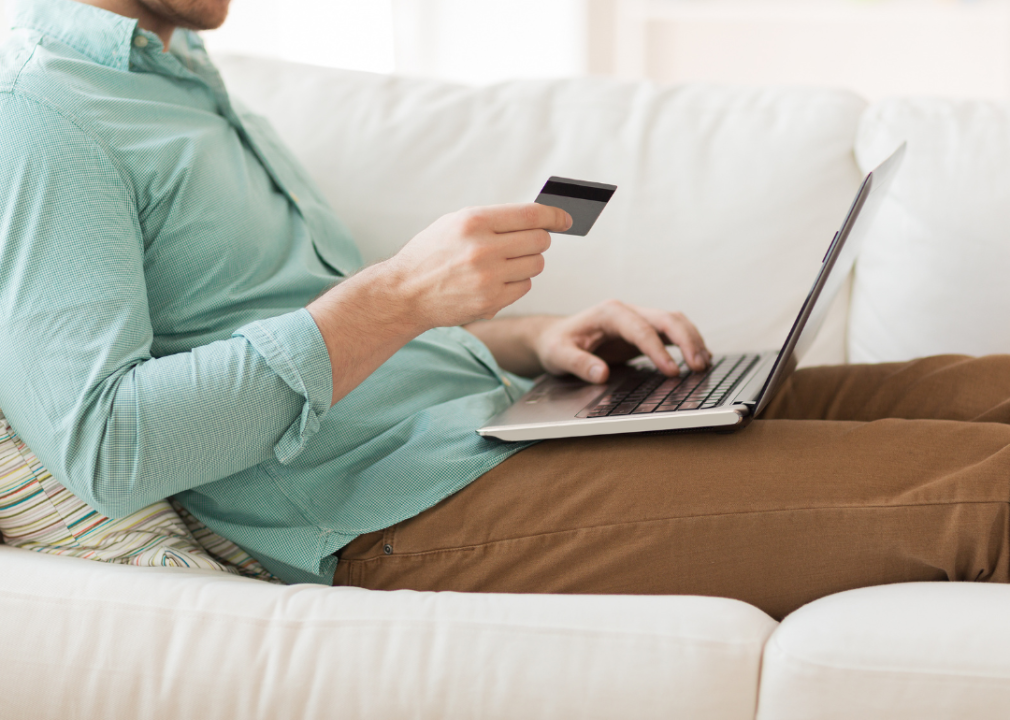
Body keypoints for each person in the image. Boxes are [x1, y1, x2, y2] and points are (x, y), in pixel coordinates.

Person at [1, 0, 1008, 621]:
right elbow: (105, 447)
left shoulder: (184, 83)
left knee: (981, 391)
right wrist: (396, 294)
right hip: (399, 509)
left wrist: (530, 336)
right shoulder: (44, 116)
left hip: (495, 415)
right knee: (988, 491)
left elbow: (311, 329)